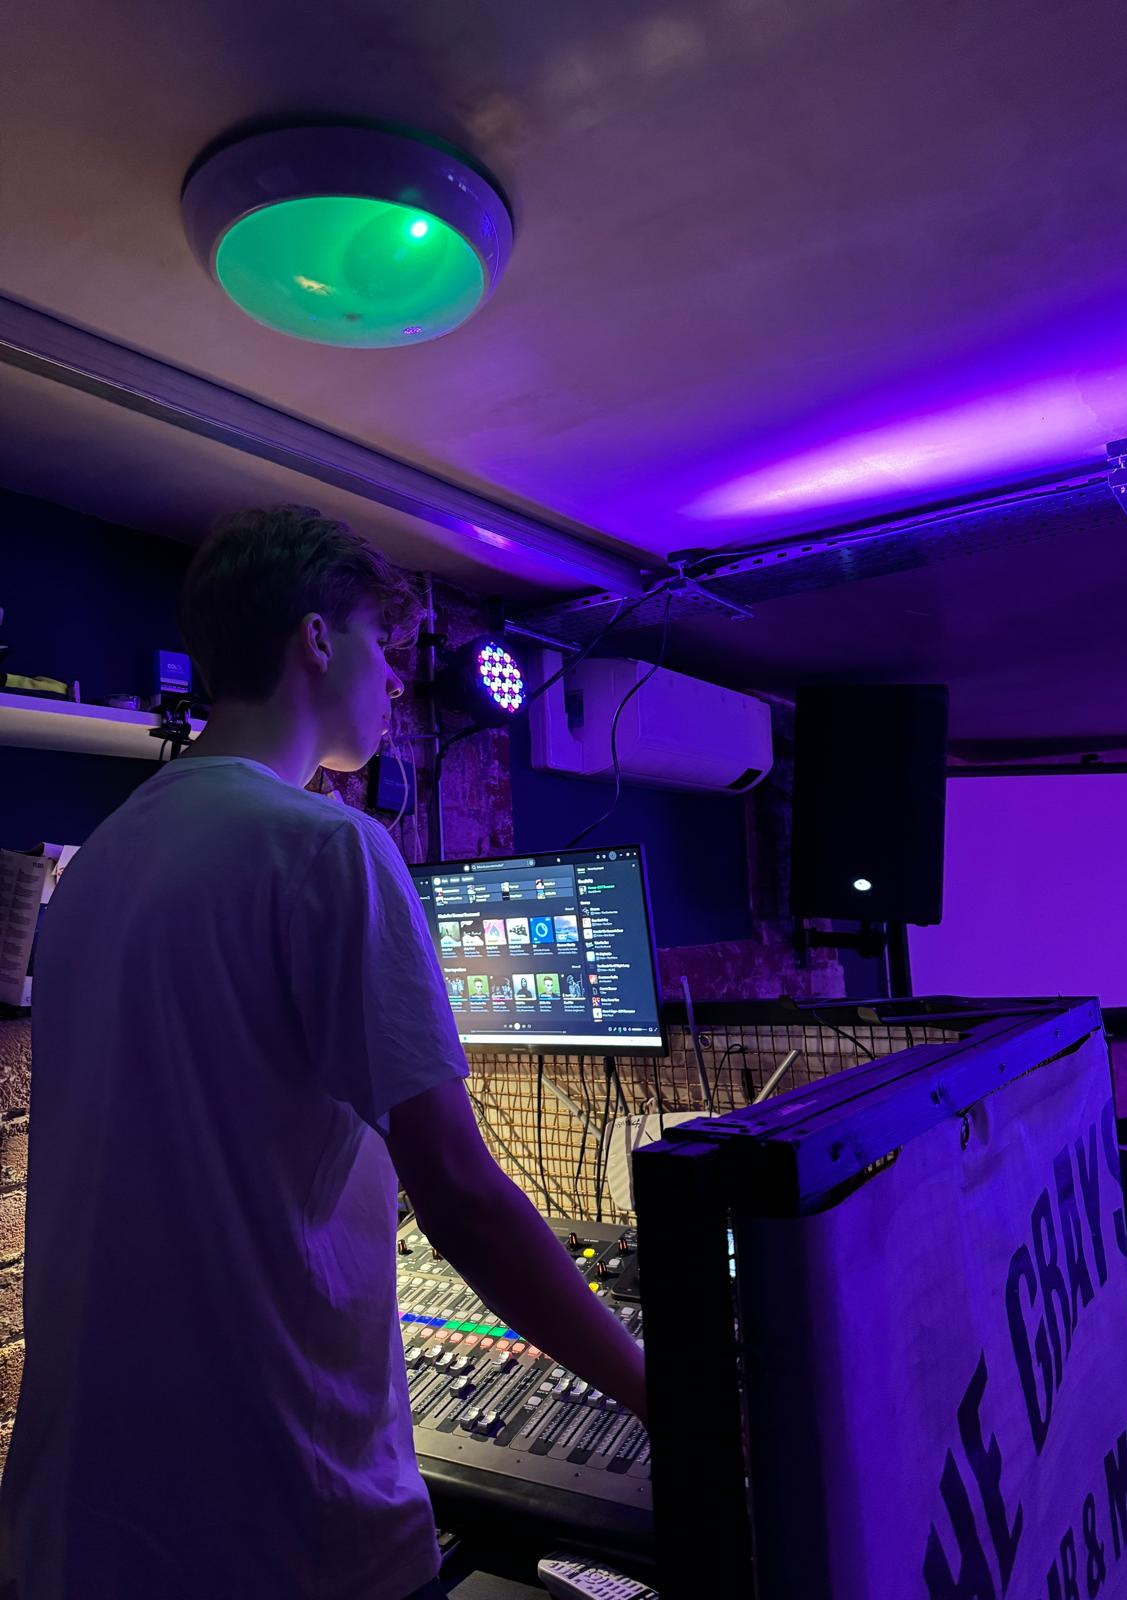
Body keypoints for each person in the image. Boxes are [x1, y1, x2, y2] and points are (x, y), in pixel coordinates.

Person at [0, 506, 645, 1600]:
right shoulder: (329, 846)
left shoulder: (92, 869)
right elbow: (461, 1195)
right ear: (313, 639)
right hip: (279, 1531)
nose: (394, 679)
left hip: (72, 1533)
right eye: (379, 646)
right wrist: (659, 1393)